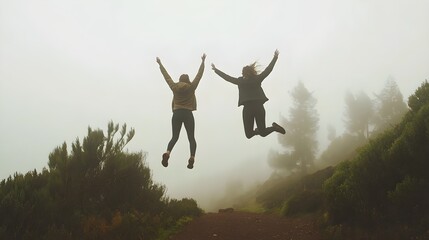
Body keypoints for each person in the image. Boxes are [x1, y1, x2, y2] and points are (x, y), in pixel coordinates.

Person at [211, 50, 285, 139]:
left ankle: (274, 128)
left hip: (252, 108)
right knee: (251, 134)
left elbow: (227, 78)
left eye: (243, 73)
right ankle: (269, 129)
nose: (243, 74)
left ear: (246, 73)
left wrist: (216, 70)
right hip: (255, 108)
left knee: (260, 133)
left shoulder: (245, 80)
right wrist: (275, 58)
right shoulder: (250, 79)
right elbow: (228, 78)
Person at [156, 54, 206, 169]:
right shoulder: (191, 87)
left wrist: (160, 64)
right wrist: (203, 62)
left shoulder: (174, 87)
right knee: (191, 138)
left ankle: (168, 153)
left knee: (174, 137)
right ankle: (192, 157)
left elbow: (166, 77)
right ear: (188, 80)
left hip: (177, 113)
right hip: (188, 114)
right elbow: (199, 75)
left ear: (179, 80)